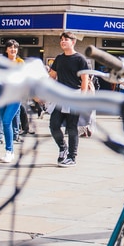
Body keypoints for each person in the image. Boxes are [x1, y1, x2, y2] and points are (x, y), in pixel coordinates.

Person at [48, 32, 89, 167]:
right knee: (54, 125)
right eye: (61, 40)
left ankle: (72, 157)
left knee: (72, 128)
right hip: (60, 97)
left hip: (74, 96)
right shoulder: (59, 59)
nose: (63, 42)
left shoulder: (80, 59)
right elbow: (52, 76)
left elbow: (85, 80)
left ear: (73, 42)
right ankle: (62, 147)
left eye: (66, 39)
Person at [0, 39, 24, 163]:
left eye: (15, 47)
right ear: (6, 49)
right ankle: (9, 151)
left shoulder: (20, 63)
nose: (13, 49)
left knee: (7, 121)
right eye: (10, 47)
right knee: (4, 123)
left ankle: (9, 151)